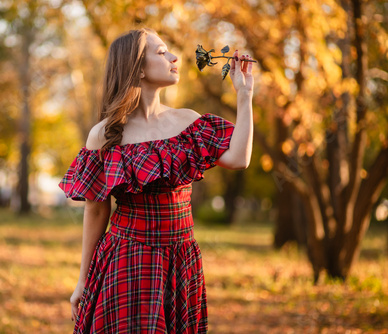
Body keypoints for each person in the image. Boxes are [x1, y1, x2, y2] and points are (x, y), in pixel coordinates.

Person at [59, 27, 254, 333]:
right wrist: (82, 280)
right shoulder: (104, 134)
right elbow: (96, 210)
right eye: (162, 52)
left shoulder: (187, 122)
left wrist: (245, 94)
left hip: (180, 262)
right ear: (136, 69)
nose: (174, 58)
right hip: (126, 260)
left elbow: (239, 158)